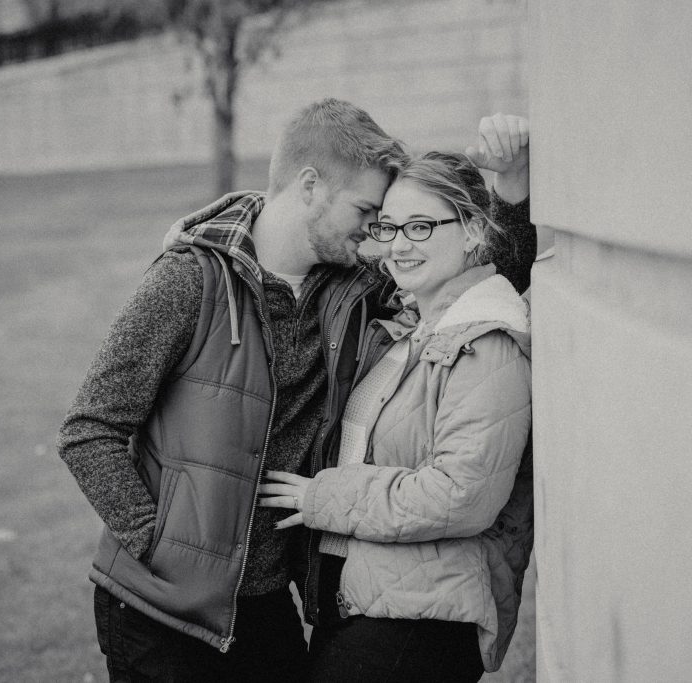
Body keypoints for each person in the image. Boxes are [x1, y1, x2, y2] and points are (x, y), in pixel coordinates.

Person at [56, 98, 407, 682]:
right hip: (157, 609)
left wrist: (515, 196)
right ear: (310, 185)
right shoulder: (188, 280)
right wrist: (159, 544)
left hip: (267, 607)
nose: (373, 231)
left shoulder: (350, 292)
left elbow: (467, 278)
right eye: (365, 209)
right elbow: (88, 429)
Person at [258, 115, 537, 681]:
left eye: (421, 227)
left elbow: (461, 495)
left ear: (474, 233)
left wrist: (323, 498)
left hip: (422, 620)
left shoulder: (486, 341)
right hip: (371, 602)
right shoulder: (410, 330)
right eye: (388, 227)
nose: (399, 245)